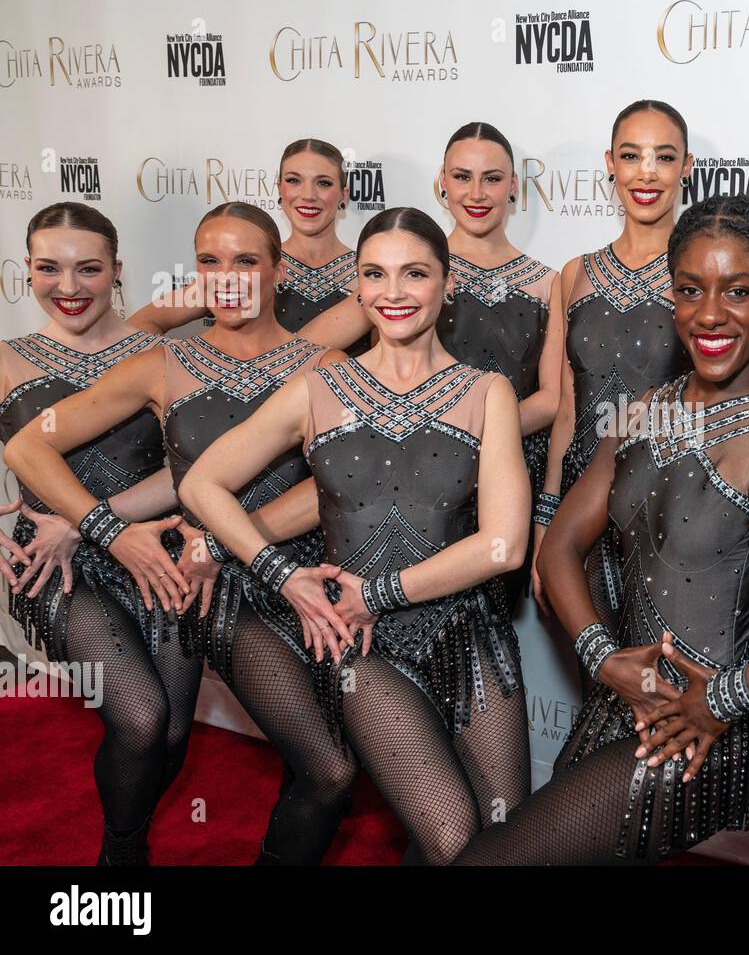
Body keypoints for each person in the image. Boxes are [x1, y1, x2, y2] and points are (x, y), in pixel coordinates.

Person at [451, 195, 749, 866]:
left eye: (738, 292)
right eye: (690, 289)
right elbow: (561, 544)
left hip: (712, 730)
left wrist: (727, 698)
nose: (709, 314)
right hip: (621, 700)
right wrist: (601, 658)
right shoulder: (649, 409)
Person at [8, 202, 357, 865]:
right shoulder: (163, 363)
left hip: (308, 577)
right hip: (209, 587)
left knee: (309, 764)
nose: (228, 277)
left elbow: (336, 486)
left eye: (246, 261)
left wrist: (225, 535)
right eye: (210, 262)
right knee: (167, 728)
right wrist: (102, 527)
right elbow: (28, 450)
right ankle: (122, 862)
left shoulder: (327, 362)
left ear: (278, 269)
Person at [180, 207, 532, 864]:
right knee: (453, 835)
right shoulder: (317, 388)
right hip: (357, 641)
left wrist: (380, 590)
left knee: (501, 840)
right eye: (375, 274)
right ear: (358, 286)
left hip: (468, 634)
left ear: (447, 282)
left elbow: (503, 546)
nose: (393, 292)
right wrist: (281, 574)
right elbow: (202, 484)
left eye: (414, 273)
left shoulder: (488, 393)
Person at [1, 202, 199, 865]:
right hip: (54, 572)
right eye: (48, 268)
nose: (69, 285)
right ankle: (121, 860)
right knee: (141, 719)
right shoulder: (6, 360)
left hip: (156, 556)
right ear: (26, 270)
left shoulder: (161, 356)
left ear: (118, 271)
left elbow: (187, 474)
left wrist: (89, 523)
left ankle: (127, 839)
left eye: (89, 268)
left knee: (170, 734)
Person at [298, 123, 562, 607]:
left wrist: (469, 430)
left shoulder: (548, 283)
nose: (476, 193)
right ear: (442, 181)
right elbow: (293, 354)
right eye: (462, 177)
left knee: (478, 620)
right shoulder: (403, 266)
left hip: (497, 486)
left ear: (514, 185)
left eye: (492, 178)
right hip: (392, 481)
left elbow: (552, 399)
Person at [531, 100, 694, 630]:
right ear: (610, 163)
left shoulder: (701, 274)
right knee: (602, 681)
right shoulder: (574, 273)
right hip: (583, 512)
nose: (646, 173)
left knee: (663, 691)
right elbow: (566, 409)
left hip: (675, 507)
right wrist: (546, 524)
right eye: (631, 156)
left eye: (664, 157)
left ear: (686, 167)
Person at [130, 139, 365, 353]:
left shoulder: (372, 273)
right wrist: (185, 367)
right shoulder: (248, 267)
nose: (308, 195)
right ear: (279, 189)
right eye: (294, 180)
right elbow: (139, 325)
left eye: (323, 183)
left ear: (343, 194)